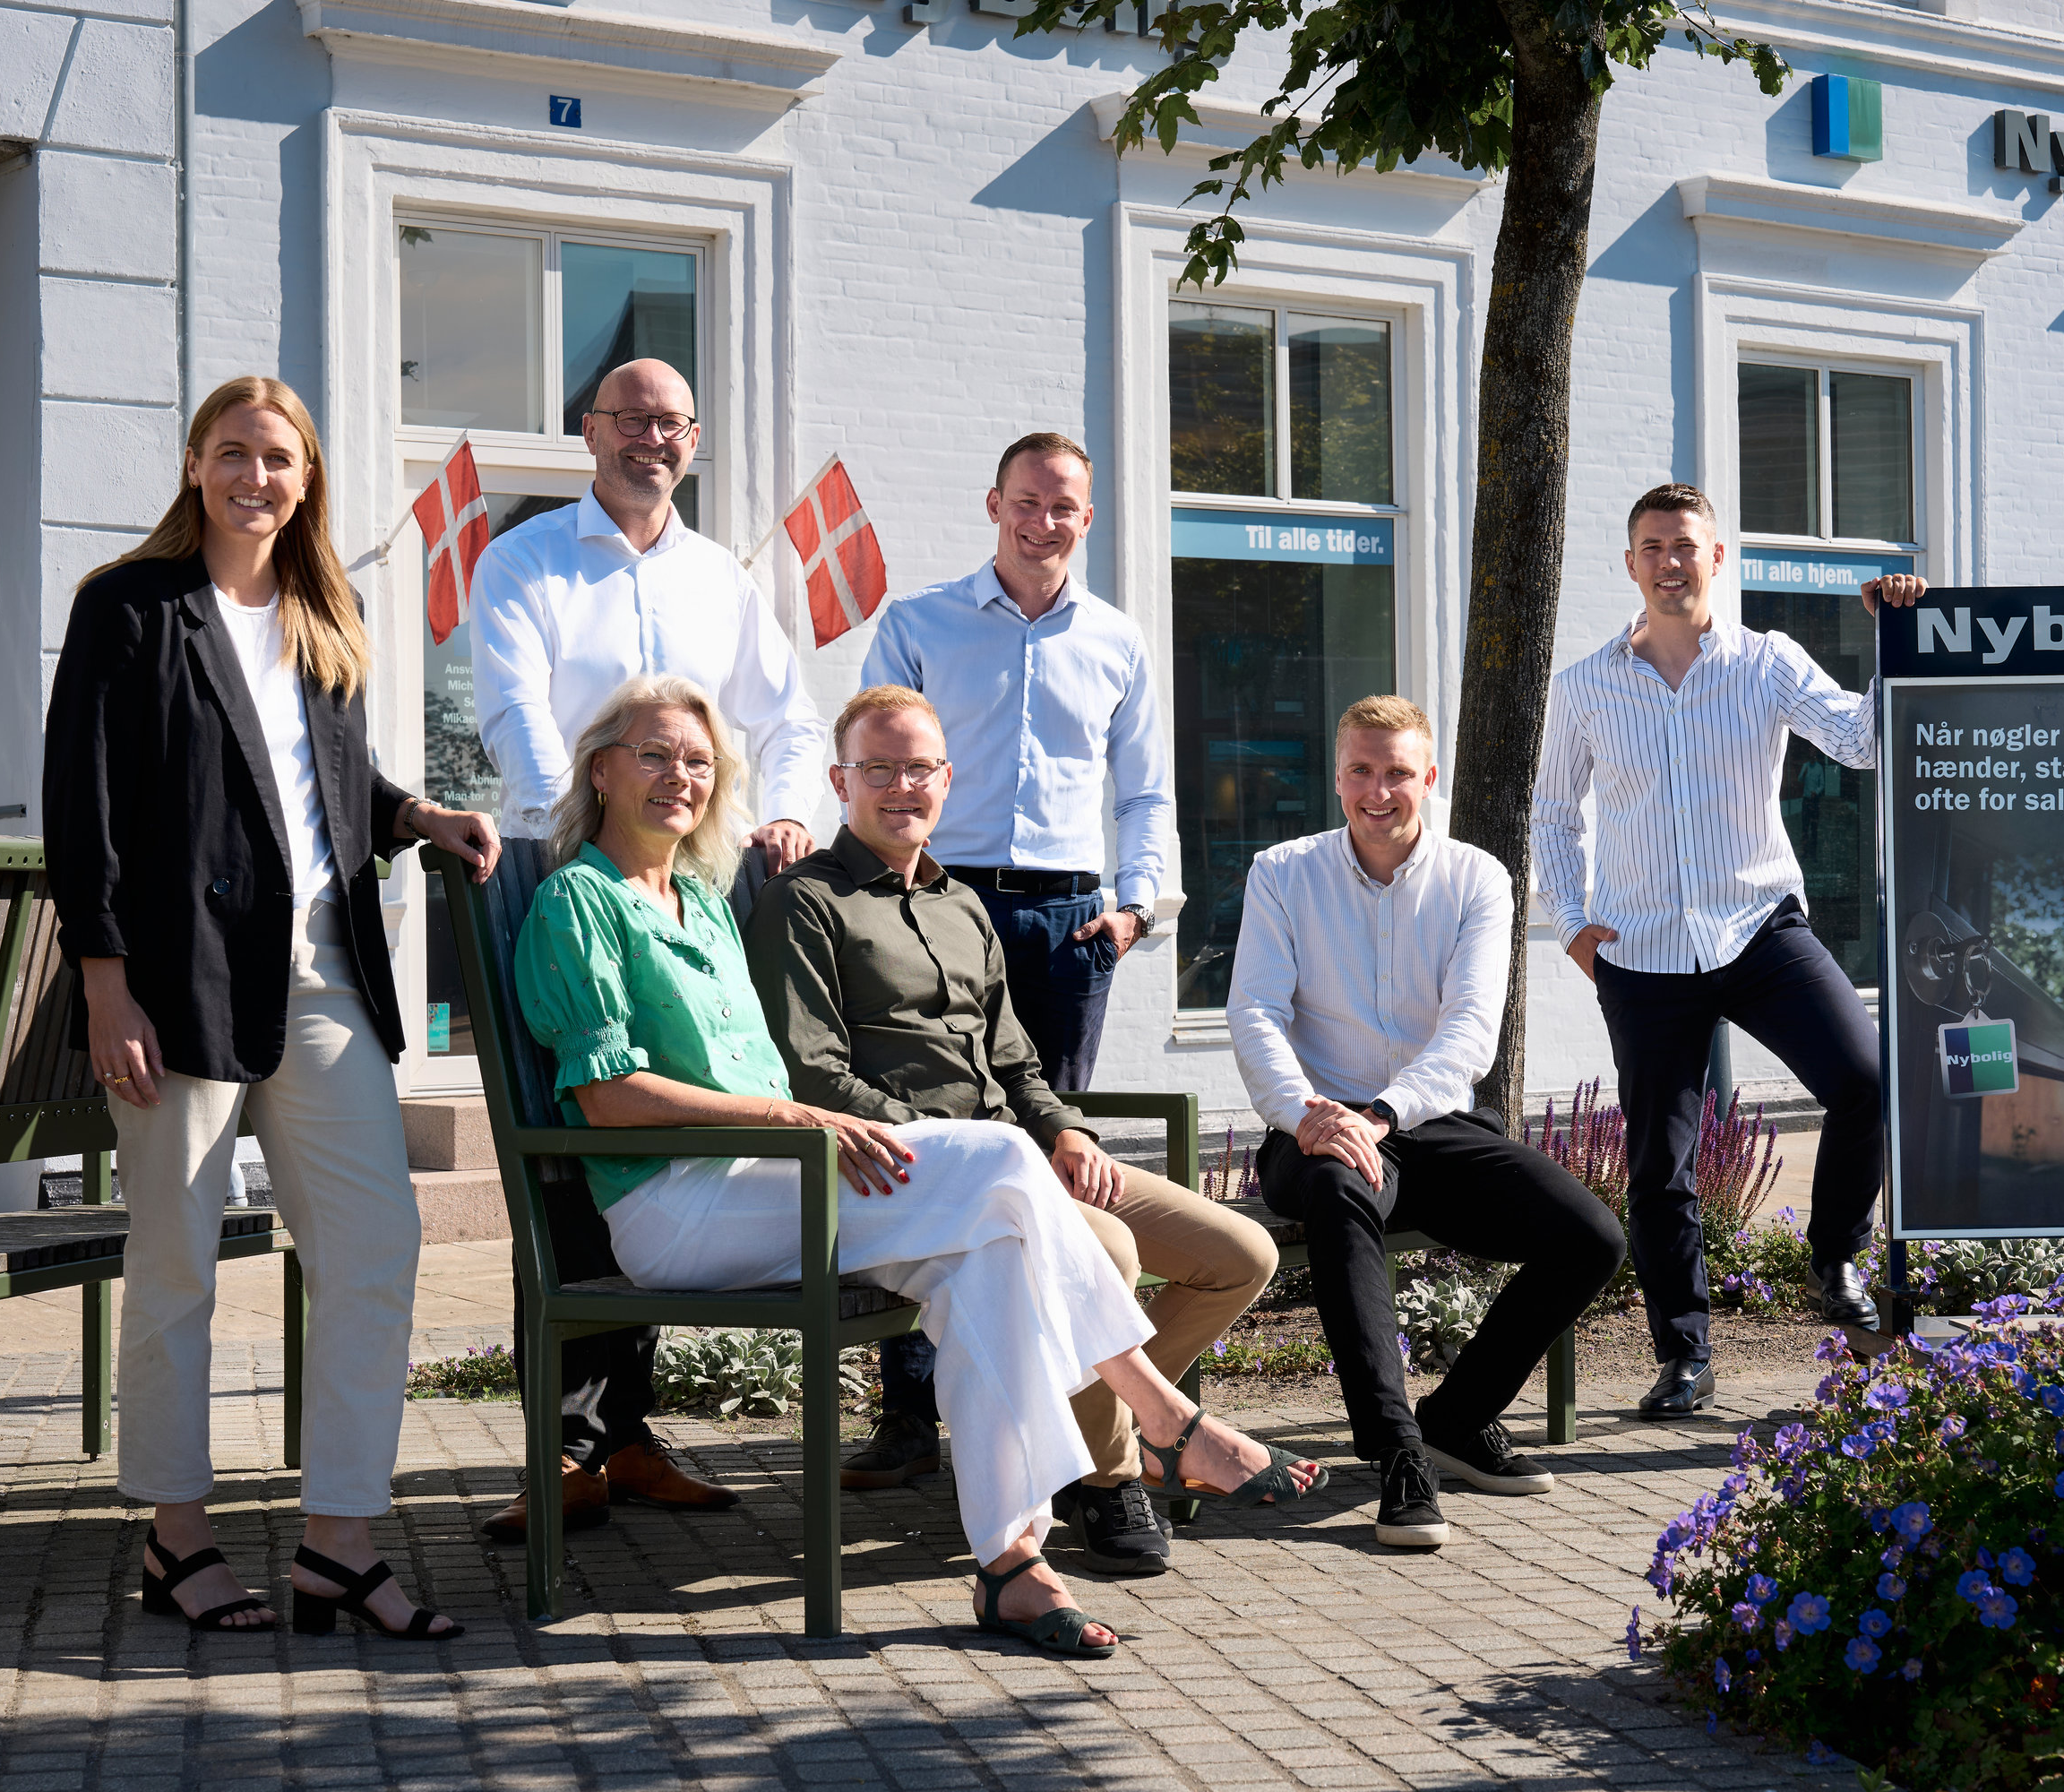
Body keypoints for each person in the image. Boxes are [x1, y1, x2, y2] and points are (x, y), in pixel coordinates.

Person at [512, 675, 1313, 1657]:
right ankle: (1165, 1417)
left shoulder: (707, 907)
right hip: (677, 1203)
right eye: (652, 753)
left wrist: (1049, 1125)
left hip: (783, 1182)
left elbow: (1002, 1061)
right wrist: (791, 1114)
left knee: (993, 1265)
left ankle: (1015, 1563)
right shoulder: (576, 900)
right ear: (601, 769)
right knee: (999, 1163)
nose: (678, 775)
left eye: (696, 758)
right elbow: (608, 1095)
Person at [44, 375, 502, 1639]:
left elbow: (335, 784)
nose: (258, 477)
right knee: (179, 1258)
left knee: (376, 1247)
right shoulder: (130, 609)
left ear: (307, 480)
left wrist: (419, 817)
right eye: (235, 453)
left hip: (320, 977)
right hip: (174, 979)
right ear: (195, 466)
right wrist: (104, 980)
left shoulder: (321, 611)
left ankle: (339, 1545)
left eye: (281, 459)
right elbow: (78, 809)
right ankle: (176, 1540)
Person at [745, 685, 1290, 1576]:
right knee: (1109, 1251)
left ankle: (1083, 1427)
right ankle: (1112, 1476)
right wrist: (960, 1146)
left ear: (948, 780)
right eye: (877, 768)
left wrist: (1065, 1131)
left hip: (1023, 1150)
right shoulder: (803, 902)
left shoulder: (964, 907)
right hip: (918, 1176)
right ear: (841, 781)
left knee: (1238, 1253)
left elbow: (1020, 1064)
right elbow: (811, 1070)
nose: (899, 786)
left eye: (917, 767)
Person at [469, 357, 828, 1540]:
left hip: (685, 885)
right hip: (555, 872)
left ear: (693, 437)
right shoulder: (523, 558)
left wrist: (779, 810)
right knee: (572, 1159)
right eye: (631, 421)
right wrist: (584, 830)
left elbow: (781, 714)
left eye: (672, 424)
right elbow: (514, 710)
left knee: (672, 1154)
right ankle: (561, 1451)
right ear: (591, 431)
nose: (652, 441)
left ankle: (624, 1439)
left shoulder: (720, 575)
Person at [1529, 483, 1922, 1421]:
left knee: (1869, 1079)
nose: (1671, 560)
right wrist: (1574, 924)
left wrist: (1894, 637)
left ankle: (1833, 1254)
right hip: (1643, 949)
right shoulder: (1586, 685)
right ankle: (1686, 1356)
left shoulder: (1766, 662)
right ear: (1631, 564)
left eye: (1686, 545)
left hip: (1758, 927)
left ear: (1717, 558)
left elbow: (1864, 743)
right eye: (1652, 546)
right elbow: (1551, 813)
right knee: (1661, 1168)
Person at [844, 434, 1174, 1494]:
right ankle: (908, 1413)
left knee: (1053, 1150)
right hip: (944, 899)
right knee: (927, 1140)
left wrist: (1134, 911)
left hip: (1070, 922)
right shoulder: (919, 623)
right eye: (1027, 502)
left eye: (1064, 506)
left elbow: (1146, 794)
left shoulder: (1119, 640)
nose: (1044, 522)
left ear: (1087, 517)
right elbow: (866, 758)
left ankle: (1049, 1410)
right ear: (995, 504)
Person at [1229, 696, 1628, 1551]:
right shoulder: (1282, 871)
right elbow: (1255, 1013)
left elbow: (1470, 1034)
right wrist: (1311, 1116)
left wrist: (1380, 1115)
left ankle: (1456, 1417)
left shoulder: (1478, 876)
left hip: (1426, 1122)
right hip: (1310, 1129)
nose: (1379, 792)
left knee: (1592, 1236)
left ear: (1429, 779)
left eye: (1398, 773)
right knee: (1339, 1192)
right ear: (1339, 777)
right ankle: (1398, 1452)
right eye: (1362, 772)